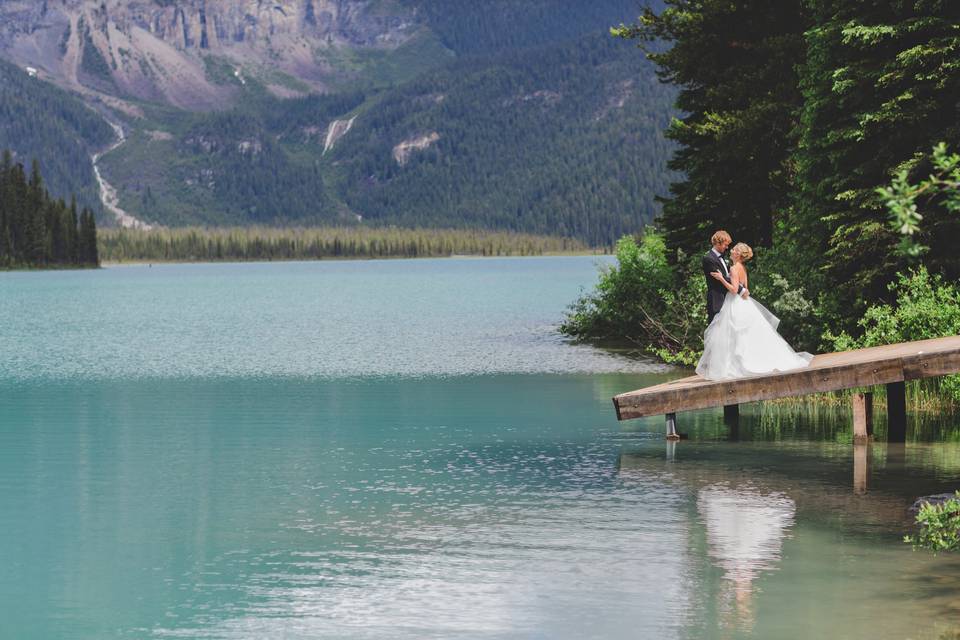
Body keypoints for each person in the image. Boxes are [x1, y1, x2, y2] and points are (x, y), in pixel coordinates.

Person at [696, 242, 813, 380]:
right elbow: (745, 289)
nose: (731, 251)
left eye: (733, 249)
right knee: (744, 334)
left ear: (738, 254)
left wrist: (721, 278)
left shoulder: (734, 268)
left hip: (734, 303)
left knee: (734, 335)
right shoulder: (742, 268)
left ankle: (737, 366)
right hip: (744, 303)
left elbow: (734, 290)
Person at [701, 230, 744, 325]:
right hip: (717, 300)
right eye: (725, 244)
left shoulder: (722, 258)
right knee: (716, 330)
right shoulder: (708, 259)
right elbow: (722, 278)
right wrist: (740, 288)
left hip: (727, 299)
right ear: (718, 243)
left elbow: (726, 276)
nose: (727, 247)